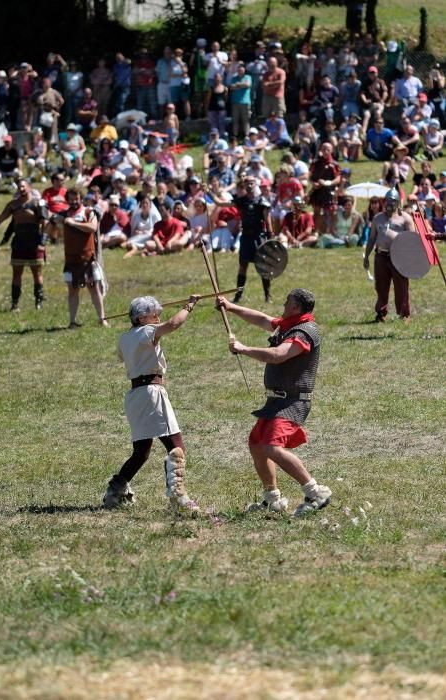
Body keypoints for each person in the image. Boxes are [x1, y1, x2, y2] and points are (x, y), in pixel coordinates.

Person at [216, 288, 331, 516]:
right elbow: (263, 319)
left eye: (286, 301)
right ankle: (272, 499)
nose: (283, 304)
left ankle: (315, 491)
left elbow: (278, 355)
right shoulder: (289, 324)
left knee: (271, 447)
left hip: (292, 402)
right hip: (276, 402)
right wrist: (231, 307)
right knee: (257, 445)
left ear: (296, 307)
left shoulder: (305, 332)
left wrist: (243, 349)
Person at [102, 294, 200, 513]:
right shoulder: (147, 331)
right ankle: (178, 496)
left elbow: (124, 356)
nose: (158, 318)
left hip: (135, 396)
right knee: (176, 446)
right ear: (143, 317)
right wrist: (189, 305)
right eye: (155, 314)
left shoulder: (124, 338)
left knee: (141, 451)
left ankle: (115, 492)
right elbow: (174, 323)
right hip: (151, 394)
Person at [0, 178, 47, 310]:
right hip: (19, 242)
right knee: (16, 273)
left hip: (34, 242)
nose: (21, 189)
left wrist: (43, 241)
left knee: (37, 273)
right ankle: (15, 304)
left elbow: (44, 223)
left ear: (29, 187)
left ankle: (39, 302)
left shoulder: (37, 203)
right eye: (19, 187)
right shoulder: (13, 205)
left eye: (23, 186)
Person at [363, 188, 415, 322]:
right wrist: (367, 256)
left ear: (398, 202)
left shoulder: (405, 218)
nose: (389, 204)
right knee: (381, 286)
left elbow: (412, 240)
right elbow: (372, 238)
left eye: (392, 201)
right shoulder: (377, 218)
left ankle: (405, 314)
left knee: (401, 287)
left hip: (399, 257)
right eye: (387, 201)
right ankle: (381, 313)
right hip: (381, 256)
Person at [60, 188, 108, 329]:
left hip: (88, 259)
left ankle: (102, 319)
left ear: (80, 198)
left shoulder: (88, 212)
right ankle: (72, 322)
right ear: (67, 200)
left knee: (94, 289)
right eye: (71, 199)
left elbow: (92, 227)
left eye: (76, 198)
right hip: (72, 259)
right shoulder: (64, 215)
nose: (74, 201)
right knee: (72, 291)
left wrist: (73, 223)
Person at [233, 175, 274, 303]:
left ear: (255, 184)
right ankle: (238, 296)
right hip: (246, 237)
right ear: (244, 185)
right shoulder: (241, 201)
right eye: (247, 183)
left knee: (263, 267)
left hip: (258, 236)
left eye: (252, 183)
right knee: (243, 266)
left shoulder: (262, 201)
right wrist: (208, 192)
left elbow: (267, 219)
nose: (249, 185)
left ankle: (267, 296)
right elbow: (219, 203)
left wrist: (270, 235)